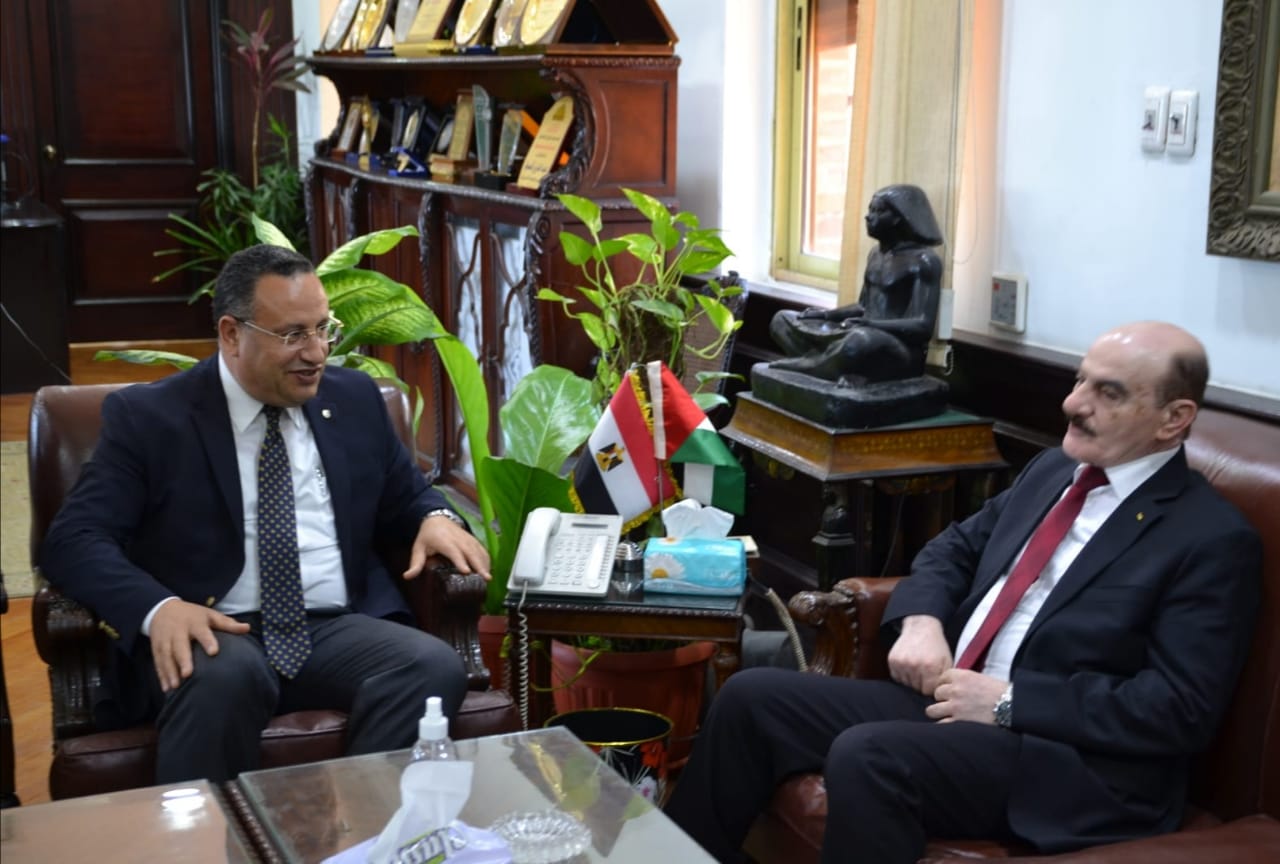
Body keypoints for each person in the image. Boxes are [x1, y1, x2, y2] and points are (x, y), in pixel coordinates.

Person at [666, 321, 1262, 863]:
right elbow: (952, 549)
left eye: (1108, 393)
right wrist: (922, 622)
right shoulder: (1055, 471)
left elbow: (1177, 710)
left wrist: (1009, 703)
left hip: (1064, 756)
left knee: (869, 756)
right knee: (751, 699)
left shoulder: (1208, 538)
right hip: (957, 701)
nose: (1073, 403)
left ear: (1173, 418)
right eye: (1080, 380)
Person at [40, 244, 491, 784]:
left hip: (332, 626)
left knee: (430, 666)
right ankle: (209, 832)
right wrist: (160, 609)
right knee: (225, 674)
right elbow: (74, 538)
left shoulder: (354, 400)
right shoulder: (152, 418)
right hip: (216, 629)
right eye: (293, 334)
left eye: (323, 329)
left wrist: (436, 517)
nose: (317, 352)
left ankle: (359, 823)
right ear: (232, 334)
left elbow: (408, 494)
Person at [769, 183, 942, 383]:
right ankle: (830, 366)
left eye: (878, 211)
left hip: (897, 348)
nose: (869, 216)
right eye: (870, 210)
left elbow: (922, 326)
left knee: (859, 341)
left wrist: (871, 324)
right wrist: (825, 315)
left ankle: (807, 366)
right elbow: (863, 307)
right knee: (783, 319)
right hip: (861, 331)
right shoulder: (875, 254)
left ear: (899, 218)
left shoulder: (924, 261)